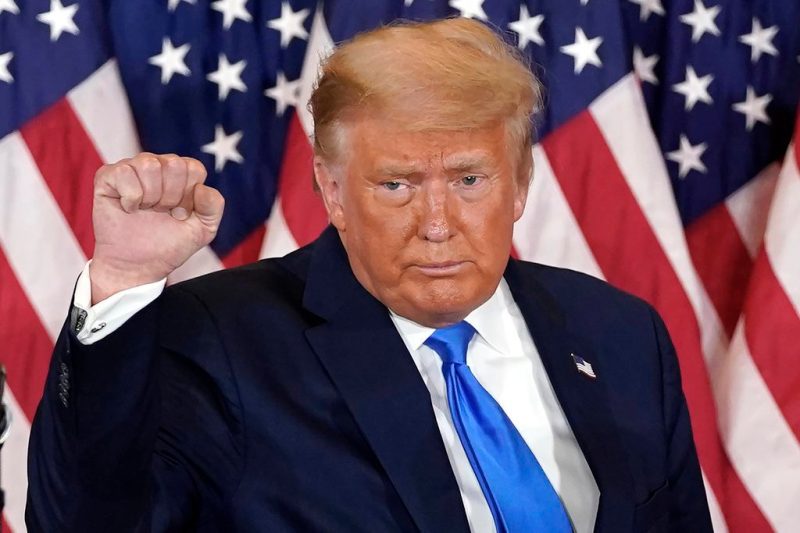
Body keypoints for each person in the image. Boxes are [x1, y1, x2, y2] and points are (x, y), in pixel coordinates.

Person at [26, 17, 713, 533]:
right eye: (396, 184)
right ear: (331, 191)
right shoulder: (224, 342)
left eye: (470, 179)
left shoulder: (620, 333)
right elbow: (87, 521)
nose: (438, 222)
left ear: (521, 183)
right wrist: (123, 278)